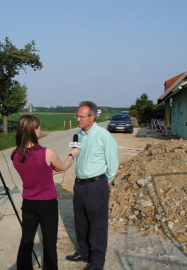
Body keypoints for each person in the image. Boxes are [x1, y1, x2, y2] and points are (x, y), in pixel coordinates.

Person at [11, 115, 79, 270]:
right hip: (47, 203)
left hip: (28, 202)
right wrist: (72, 155)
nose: (40, 129)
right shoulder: (47, 152)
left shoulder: (15, 154)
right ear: (33, 130)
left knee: (26, 240)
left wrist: (46, 169)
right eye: (38, 127)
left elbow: (32, 170)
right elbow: (63, 167)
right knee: (49, 242)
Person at [65, 101, 119, 270]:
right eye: (77, 116)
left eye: (81, 116)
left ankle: (96, 262)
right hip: (80, 185)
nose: (78, 119)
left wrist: (103, 182)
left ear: (92, 117)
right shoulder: (78, 135)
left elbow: (113, 165)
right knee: (81, 221)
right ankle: (84, 252)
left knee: (97, 225)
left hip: (96, 185)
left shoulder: (104, 136)